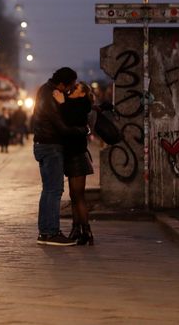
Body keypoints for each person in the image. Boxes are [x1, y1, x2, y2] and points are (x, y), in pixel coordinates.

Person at [32, 67, 88, 246]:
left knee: (48, 189)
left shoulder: (44, 90)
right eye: (70, 86)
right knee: (54, 190)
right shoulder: (52, 94)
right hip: (51, 146)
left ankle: (45, 231)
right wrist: (82, 130)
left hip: (43, 144)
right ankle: (50, 232)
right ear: (63, 83)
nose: (70, 89)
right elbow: (61, 125)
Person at [60, 81, 95, 245]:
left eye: (76, 88)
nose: (72, 89)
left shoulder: (82, 105)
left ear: (82, 93)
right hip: (71, 154)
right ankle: (76, 229)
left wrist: (61, 102)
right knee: (74, 195)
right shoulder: (73, 104)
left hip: (78, 155)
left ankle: (86, 231)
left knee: (79, 195)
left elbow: (69, 118)